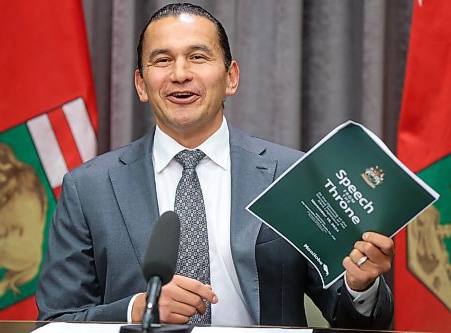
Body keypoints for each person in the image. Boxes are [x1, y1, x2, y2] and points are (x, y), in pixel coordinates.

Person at [36, 3, 394, 329]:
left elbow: (350, 315)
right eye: (162, 60)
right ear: (141, 84)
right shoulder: (89, 188)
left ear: (231, 77)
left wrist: (361, 285)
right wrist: (136, 310)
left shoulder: (291, 174)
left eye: (197, 57)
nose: (179, 74)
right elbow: (57, 320)